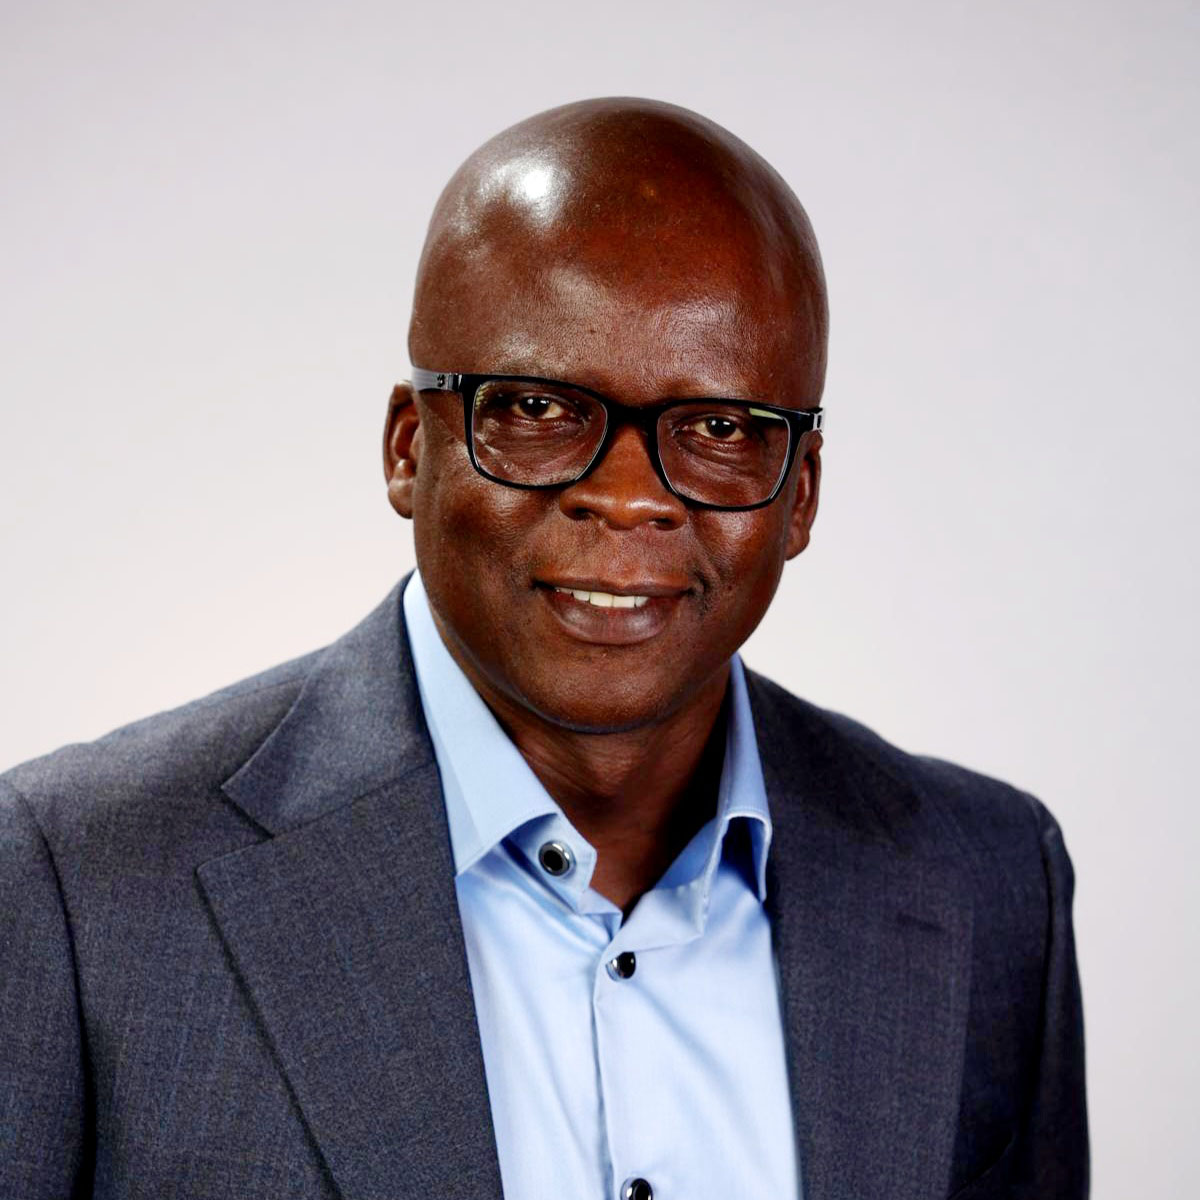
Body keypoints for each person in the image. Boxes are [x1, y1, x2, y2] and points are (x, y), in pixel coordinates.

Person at [0, 98, 1087, 1200]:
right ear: (408, 449)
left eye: (719, 428)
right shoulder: (76, 886)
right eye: (533, 407)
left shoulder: (989, 885)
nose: (625, 498)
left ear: (799, 496)